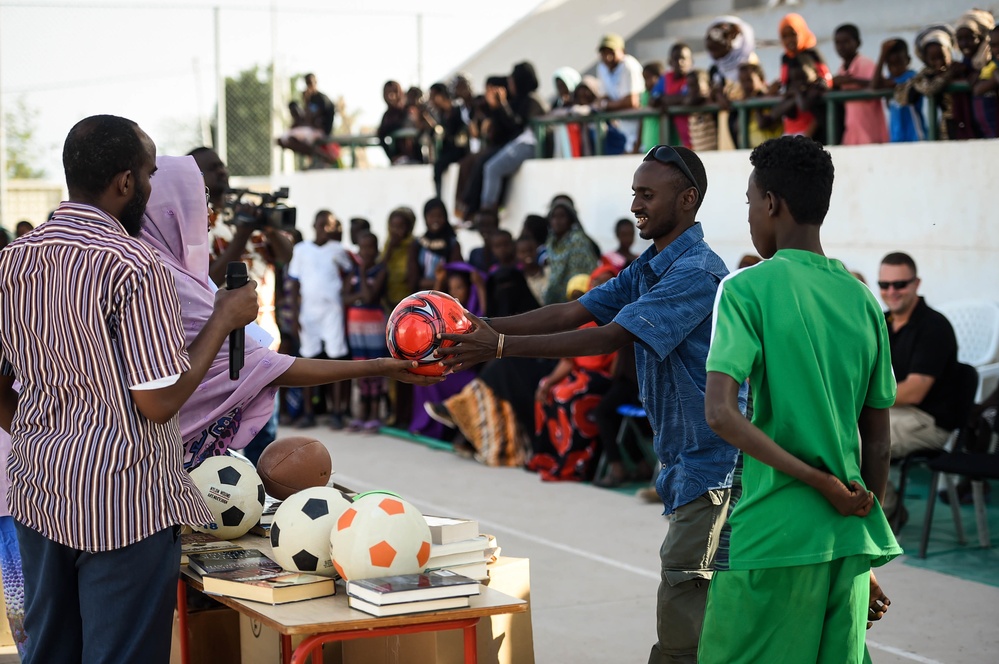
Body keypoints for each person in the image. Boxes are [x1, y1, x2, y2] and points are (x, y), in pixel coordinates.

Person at [438, 145, 741, 663]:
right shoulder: (651, 266)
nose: (636, 205)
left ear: (688, 199)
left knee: (684, 620)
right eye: (634, 194)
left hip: (715, 468)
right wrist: (474, 325)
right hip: (689, 463)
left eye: (647, 195)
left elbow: (607, 337)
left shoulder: (696, 271)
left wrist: (501, 346)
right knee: (703, 607)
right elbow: (574, 310)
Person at [0, 115, 258, 664]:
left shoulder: (14, 260)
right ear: (123, 183)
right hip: (124, 502)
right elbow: (158, 399)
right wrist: (223, 320)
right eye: (147, 172)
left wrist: (41, 435)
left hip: (38, 490)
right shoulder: (135, 267)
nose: (148, 184)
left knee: (49, 652)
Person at [698, 135, 901, 664]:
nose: (748, 217)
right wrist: (861, 540)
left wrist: (817, 481)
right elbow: (877, 443)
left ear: (771, 203)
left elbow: (720, 412)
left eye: (748, 202)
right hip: (846, 540)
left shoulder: (746, 289)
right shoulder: (863, 300)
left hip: (772, 534)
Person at [138, 155, 442, 469]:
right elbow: (265, 368)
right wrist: (377, 366)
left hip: (258, 340)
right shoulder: (158, 279)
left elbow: (264, 359)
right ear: (171, 207)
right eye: (200, 199)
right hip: (161, 467)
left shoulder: (174, 273)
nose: (209, 212)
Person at [877, 251, 962, 522]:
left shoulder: (934, 326)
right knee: (834, 432)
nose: (892, 291)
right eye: (884, 285)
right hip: (894, 412)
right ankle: (886, 506)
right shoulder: (882, 321)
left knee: (853, 441)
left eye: (900, 284)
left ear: (916, 284)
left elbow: (914, 391)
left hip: (928, 420)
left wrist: (858, 398)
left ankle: (883, 513)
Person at [189, 146, 293, 350]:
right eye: (213, 168)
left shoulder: (247, 209)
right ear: (195, 175)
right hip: (226, 339)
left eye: (222, 166)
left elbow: (286, 256)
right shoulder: (195, 221)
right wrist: (242, 234)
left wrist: (269, 227)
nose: (222, 171)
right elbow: (207, 280)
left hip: (267, 331)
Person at [527, 274, 616, 482]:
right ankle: (548, 458)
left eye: (604, 282)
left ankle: (574, 464)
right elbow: (569, 360)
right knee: (546, 391)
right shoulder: (587, 319)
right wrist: (548, 382)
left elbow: (615, 365)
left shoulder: (617, 317)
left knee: (566, 395)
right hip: (581, 375)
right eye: (595, 282)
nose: (597, 286)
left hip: (602, 378)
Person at [287, 210, 355, 429]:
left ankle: (336, 412)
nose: (325, 229)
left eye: (330, 226)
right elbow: (295, 283)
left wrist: (343, 296)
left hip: (332, 312)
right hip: (308, 312)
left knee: (336, 361)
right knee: (307, 360)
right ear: (314, 225)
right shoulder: (301, 250)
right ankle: (309, 412)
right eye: (322, 224)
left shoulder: (338, 251)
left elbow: (350, 273)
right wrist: (295, 313)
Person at [833, 23, 889, 145]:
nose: (841, 46)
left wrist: (852, 81)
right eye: (837, 43)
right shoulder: (841, 69)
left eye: (846, 42)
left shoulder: (866, 63)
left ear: (857, 43)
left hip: (870, 128)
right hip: (852, 130)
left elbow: (879, 84)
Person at [594, 33, 645, 154]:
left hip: (637, 128)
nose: (607, 57)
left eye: (611, 52)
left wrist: (607, 105)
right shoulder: (601, 68)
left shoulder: (629, 66)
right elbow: (603, 97)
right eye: (603, 53)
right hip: (619, 128)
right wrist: (610, 103)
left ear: (622, 51)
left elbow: (632, 102)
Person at [542, 199, 599, 305]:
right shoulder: (551, 241)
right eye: (554, 217)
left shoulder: (577, 239)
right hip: (554, 296)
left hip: (576, 296)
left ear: (570, 220)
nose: (557, 221)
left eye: (562, 216)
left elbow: (578, 274)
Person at [277, 72, 338, 166]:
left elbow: (315, 118)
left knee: (292, 139)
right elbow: (305, 117)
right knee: (282, 140)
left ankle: (323, 156)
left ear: (316, 82)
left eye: (311, 83)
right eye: (307, 83)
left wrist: (306, 101)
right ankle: (319, 156)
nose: (309, 85)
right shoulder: (309, 98)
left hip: (319, 131)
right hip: (309, 130)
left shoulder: (321, 99)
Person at [872, 38, 927, 142]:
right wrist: (882, 56)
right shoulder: (889, 80)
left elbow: (907, 86)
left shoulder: (913, 77)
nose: (895, 68)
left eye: (899, 63)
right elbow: (873, 87)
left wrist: (895, 85)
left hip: (915, 136)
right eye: (890, 65)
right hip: (896, 137)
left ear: (908, 60)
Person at [652, 44, 694, 148]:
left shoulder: (694, 78)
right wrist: (675, 99)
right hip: (675, 139)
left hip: (696, 136)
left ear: (691, 61)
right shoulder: (666, 78)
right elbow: (652, 100)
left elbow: (689, 99)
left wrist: (664, 99)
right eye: (676, 59)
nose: (680, 62)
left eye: (683, 58)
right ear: (670, 61)